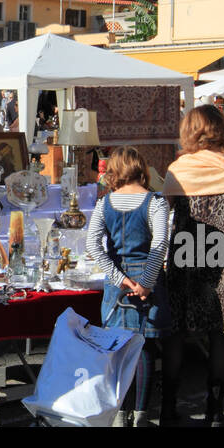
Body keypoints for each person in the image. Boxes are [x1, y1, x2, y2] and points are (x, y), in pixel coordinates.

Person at [161, 106, 224, 426]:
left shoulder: (178, 170)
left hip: (182, 258)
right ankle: (215, 410)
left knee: (176, 333)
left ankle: (167, 406)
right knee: (219, 335)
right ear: (222, 131)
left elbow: (162, 221)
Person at [84, 146, 173, 427]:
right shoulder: (155, 202)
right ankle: (141, 416)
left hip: (118, 283)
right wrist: (146, 282)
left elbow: (92, 245)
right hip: (147, 278)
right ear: (141, 168)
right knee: (144, 347)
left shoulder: (104, 203)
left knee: (120, 348)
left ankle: (121, 415)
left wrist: (118, 277)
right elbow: (159, 244)